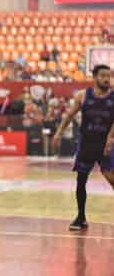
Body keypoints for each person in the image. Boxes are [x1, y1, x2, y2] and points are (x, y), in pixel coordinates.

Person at [52, 64, 114, 231]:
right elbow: (69, 115)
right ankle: (80, 217)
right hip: (86, 143)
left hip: (105, 145)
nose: (107, 79)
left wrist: (110, 138)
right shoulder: (83, 96)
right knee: (81, 181)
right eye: (103, 75)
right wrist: (58, 133)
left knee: (112, 179)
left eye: (109, 76)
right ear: (94, 77)